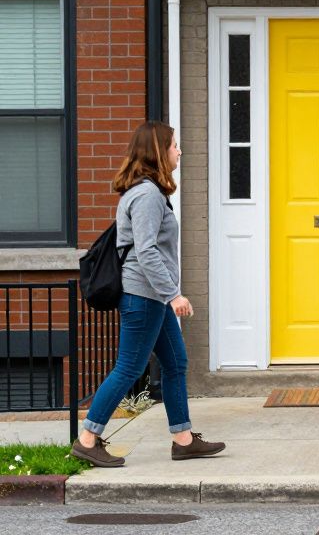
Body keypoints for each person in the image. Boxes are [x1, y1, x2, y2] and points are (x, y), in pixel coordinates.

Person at [71, 121, 225, 467]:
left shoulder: (150, 193)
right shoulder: (146, 196)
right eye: (174, 145)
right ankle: (87, 438)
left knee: (175, 363)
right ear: (158, 151)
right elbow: (146, 251)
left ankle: (183, 439)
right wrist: (173, 295)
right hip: (143, 296)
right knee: (128, 368)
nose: (179, 151)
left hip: (152, 297)